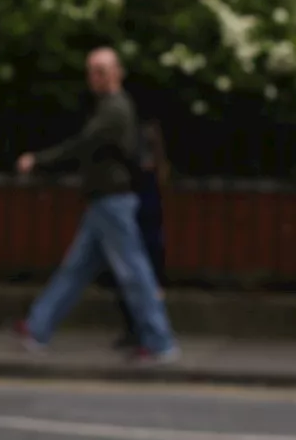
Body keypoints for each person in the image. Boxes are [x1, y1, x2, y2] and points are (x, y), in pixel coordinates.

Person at [13, 47, 180, 363]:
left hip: (113, 201)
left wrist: (38, 160)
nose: (96, 77)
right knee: (76, 269)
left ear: (118, 72)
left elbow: (81, 146)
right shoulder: (108, 107)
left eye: (102, 70)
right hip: (103, 200)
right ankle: (37, 327)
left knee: (133, 272)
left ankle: (160, 341)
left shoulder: (115, 110)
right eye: (92, 71)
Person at [110, 116, 169, 351]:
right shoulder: (152, 174)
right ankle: (142, 332)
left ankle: (144, 333)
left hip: (139, 229)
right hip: (145, 230)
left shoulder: (141, 175)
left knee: (137, 279)